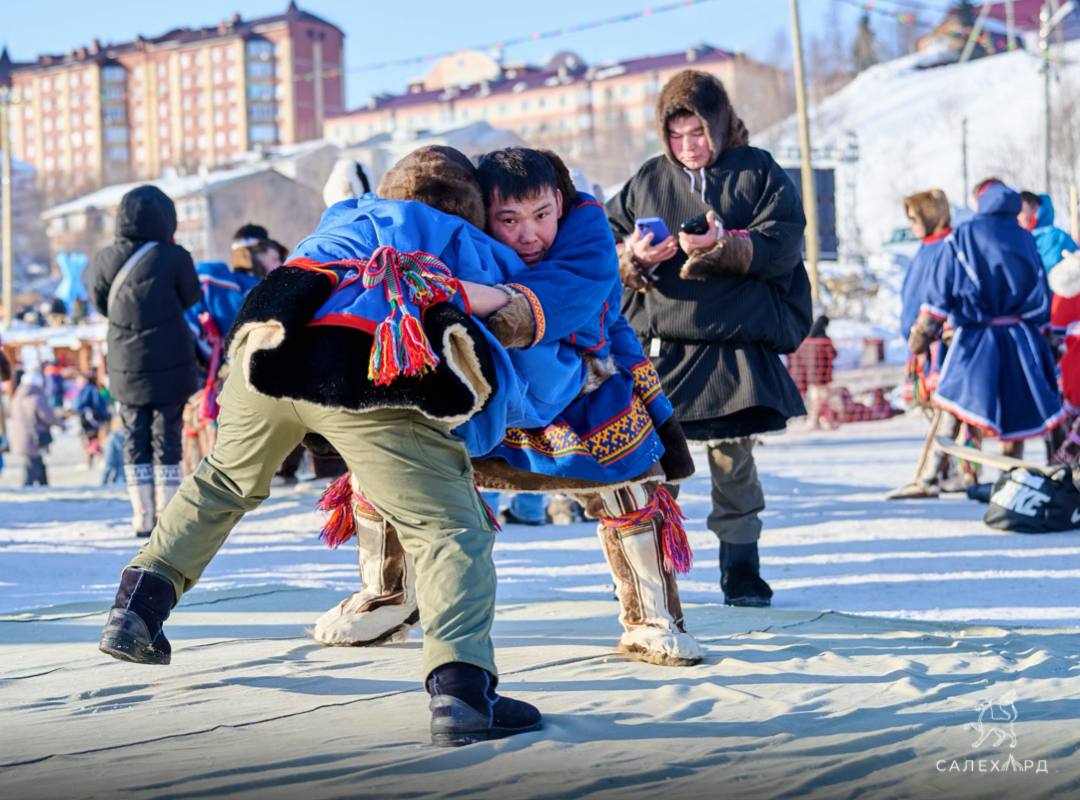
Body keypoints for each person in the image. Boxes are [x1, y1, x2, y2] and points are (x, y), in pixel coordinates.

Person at [97, 147, 543, 747]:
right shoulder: (468, 239)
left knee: (223, 480)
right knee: (448, 529)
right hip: (360, 365)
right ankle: (462, 692)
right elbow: (493, 341)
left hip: (267, 339)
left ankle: (135, 608)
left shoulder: (347, 215)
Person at [313, 147, 700, 667]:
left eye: (541, 215)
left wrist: (482, 299)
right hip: (485, 395)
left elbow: (581, 308)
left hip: (580, 386)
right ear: (482, 215)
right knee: (382, 455)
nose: (528, 233)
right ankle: (389, 595)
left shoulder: (587, 236)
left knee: (632, 476)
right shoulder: (457, 243)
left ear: (559, 203)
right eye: (509, 220)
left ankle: (651, 616)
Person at [606, 70, 811, 607]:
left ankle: (741, 574)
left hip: (733, 347)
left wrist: (729, 243)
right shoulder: (648, 179)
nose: (687, 146)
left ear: (718, 125)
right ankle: (649, 577)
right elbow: (601, 239)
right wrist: (633, 256)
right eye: (675, 135)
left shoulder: (757, 170)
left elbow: (786, 239)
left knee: (732, 466)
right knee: (652, 466)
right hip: (665, 346)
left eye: (696, 132)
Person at [908, 179, 1063, 458]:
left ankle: (934, 471)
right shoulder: (1025, 238)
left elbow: (940, 291)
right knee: (1018, 406)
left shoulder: (962, 236)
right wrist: (1047, 336)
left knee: (956, 402)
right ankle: (1013, 466)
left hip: (975, 338)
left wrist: (923, 333)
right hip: (1020, 337)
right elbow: (1041, 294)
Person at [83, 185, 202, 536]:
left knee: (134, 432)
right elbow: (191, 298)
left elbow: (101, 303)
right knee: (168, 430)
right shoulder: (176, 257)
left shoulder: (103, 259)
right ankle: (167, 512)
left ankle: (141, 515)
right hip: (171, 356)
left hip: (124, 359)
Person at [9, 371, 61, 486]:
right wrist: (61, 422)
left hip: (21, 435)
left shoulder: (17, 396)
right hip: (34, 434)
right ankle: (30, 486)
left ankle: (43, 484)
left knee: (34, 461)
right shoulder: (36, 397)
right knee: (34, 462)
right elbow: (46, 416)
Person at [787, 315, 838, 429]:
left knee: (817, 400)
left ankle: (817, 421)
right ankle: (816, 421)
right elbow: (833, 354)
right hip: (822, 377)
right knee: (820, 401)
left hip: (810, 377)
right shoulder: (824, 339)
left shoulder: (806, 340)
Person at [1018, 191, 1078, 273]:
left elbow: (1043, 272)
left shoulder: (1054, 237)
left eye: (1020, 210)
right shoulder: (1025, 238)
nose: (1017, 217)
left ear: (1035, 208)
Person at [74, 369, 111, 469]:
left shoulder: (88, 389)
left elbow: (82, 404)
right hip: (89, 418)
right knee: (89, 440)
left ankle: (101, 458)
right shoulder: (89, 388)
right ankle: (90, 461)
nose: (77, 381)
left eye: (79, 379)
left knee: (89, 440)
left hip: (90, 419)